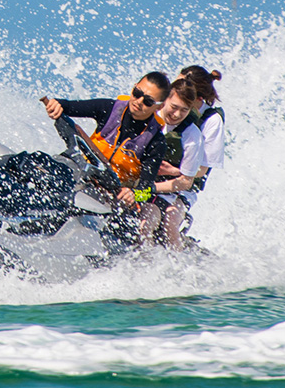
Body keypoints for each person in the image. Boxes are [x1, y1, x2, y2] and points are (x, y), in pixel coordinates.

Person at [40, 72, 170, 209]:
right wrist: (57, 104)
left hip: (108, 197)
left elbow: (146, 191)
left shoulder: (156, 142)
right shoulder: (109, 108)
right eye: (137, 93)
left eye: (148, 101)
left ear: (159, 106)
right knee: (36, 162)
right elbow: (68, 106)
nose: (139, 101)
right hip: (79, 172)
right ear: (133, 88)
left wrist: (133, 195)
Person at [146, 77, 203, 250]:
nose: (177, 114)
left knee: (152, 221)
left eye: (184, 110)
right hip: (137, 183)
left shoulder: (192, 135)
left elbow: (186, 181)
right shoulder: (147, 117)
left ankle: (175, 264)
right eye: (174, 107)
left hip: (171, 191)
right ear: (164, 101)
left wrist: (151, 188)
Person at [170, 66, 224, 206]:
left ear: (198, 97)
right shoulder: (167, 107)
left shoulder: (211, 120)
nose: (175, 91)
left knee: (169, 222)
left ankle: (181, 223)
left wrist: (172, 171)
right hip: (153, 181)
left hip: (184, 189)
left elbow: (202, 170)